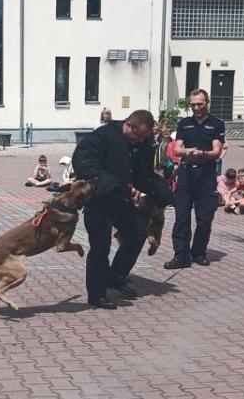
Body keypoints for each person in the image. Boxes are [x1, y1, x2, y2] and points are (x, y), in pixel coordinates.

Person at [72, 109, 172, 310]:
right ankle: (97, 294)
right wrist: (110, 183)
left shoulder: (143, 143)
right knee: (100, 248)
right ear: (128, 124)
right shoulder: (103, 135)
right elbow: (84, 163)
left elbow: (143, 174)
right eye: (137, 136)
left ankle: (116, 276)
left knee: (136, 234)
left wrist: (160, 190)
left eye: (144, 137)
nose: (139, 141)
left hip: (121, 201)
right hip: (99, 200)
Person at [165, 89, 225, 269]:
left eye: (200, 104)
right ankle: (180, 255)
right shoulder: (184, 123)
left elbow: (217, 152)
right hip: (186, 175)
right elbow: (177, 149)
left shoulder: (216, 124)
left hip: (206, 175)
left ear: (207, 102)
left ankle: (198, 252)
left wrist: (202, 153)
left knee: (204, 218)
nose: (196, 108)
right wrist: (188, 151)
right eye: (193, 105)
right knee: (181, 217)